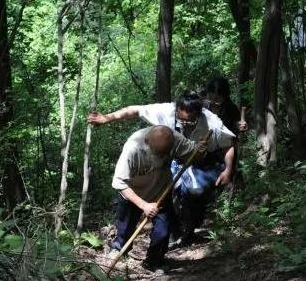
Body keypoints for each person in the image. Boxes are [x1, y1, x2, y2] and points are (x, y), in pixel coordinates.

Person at [88, 92, 236, 244]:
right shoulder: (165, 112)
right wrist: (107, 118)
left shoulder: (211, 121)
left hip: (196, 159)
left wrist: (228, 170)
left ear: (198, 115)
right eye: (181, 120)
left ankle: (186, 231)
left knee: (194, 192)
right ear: (176, 110)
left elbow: (228, 144)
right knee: (160, 194)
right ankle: (170, 233)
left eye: (189, 122)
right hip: (166, 161)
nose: (184, 124)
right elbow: (135, 110)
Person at [109, 125, 198, 271]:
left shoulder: (175, 139)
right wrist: (144, 205)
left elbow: (195, 151)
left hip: (161, 192)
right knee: (125, 229)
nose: (161, 157)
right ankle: (118, 252)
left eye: (164, 153)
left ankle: (153, 261)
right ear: (147, 142)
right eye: (157, 153)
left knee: (163, 231)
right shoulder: (132, 148)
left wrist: (200, 150)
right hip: (133, 193)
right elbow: (119, 182)